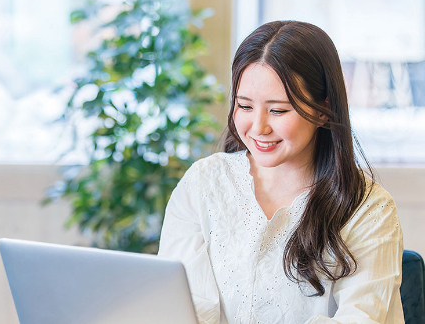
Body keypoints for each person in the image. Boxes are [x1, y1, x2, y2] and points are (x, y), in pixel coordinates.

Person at [157, 21, 404, 324]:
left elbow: (361, 319)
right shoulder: (203, 183)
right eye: (245, 106)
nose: (258, 128)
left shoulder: (367, 209)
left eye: (278, 110)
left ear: (322, 109)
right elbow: (177, 308)